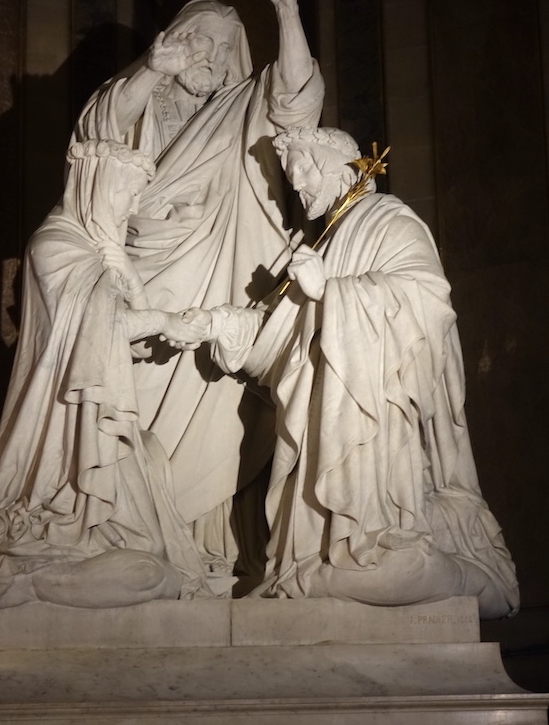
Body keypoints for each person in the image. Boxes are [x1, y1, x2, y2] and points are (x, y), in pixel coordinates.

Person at [179, 126, 519, 619]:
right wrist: (219, 325)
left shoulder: (388, 219)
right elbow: (283, 329)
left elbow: (428, 300)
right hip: (320, 412)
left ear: (338, 166)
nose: (299, 190)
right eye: (293, 183)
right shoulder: (325, 237)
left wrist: (331, 293)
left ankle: (381, 555)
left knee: (381, 562)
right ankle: (314, 567)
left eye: (305, 176)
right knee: (319, 556)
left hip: (370, 414)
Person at [72, 0, 325, 586]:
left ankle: (205, 556)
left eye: (219, 46)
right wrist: (151, 72)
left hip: (220, 287)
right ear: (173, 40)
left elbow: (297, 100)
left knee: (216, 417)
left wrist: (288, 14)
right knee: (132, 416)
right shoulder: (137, 93)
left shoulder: (245, 104)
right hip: (141, 277)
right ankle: (127, 538)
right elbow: (94, 137)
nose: (206, 56)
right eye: (196, 41)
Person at [0, 139, 211, 622]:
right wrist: (163, 321)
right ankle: (14, 580)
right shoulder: (56, 247)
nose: (132, 207)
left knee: (153, 549)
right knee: (153, 566)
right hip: (69, 427)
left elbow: (114, 327)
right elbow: (98, 328)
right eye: (127, 193)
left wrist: (130, 276)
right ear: (96, 187)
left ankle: (15, 586)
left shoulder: (95, 251)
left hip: (98, 417)